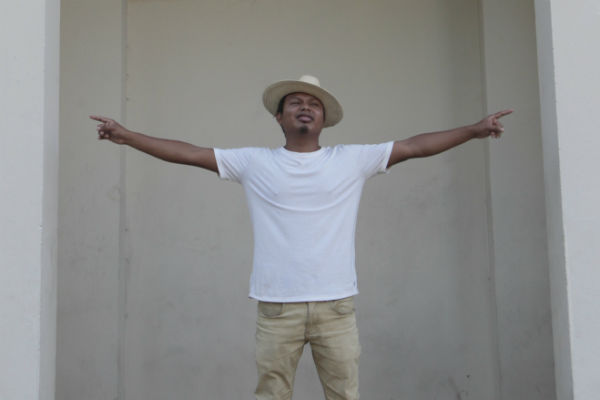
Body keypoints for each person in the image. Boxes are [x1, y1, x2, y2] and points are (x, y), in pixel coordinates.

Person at [91, 75, 512, 400]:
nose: (305, 108)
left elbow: (415, 146)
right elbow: (189, 152)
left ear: (324, 119)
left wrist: (474, 130)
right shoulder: (253, 163)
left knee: (344, 396)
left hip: (337, 307)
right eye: (295, 103)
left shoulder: (352, 160)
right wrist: (126, 136)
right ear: (279, 118)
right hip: (277, 308)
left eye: (314, 104)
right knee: (272, 396)